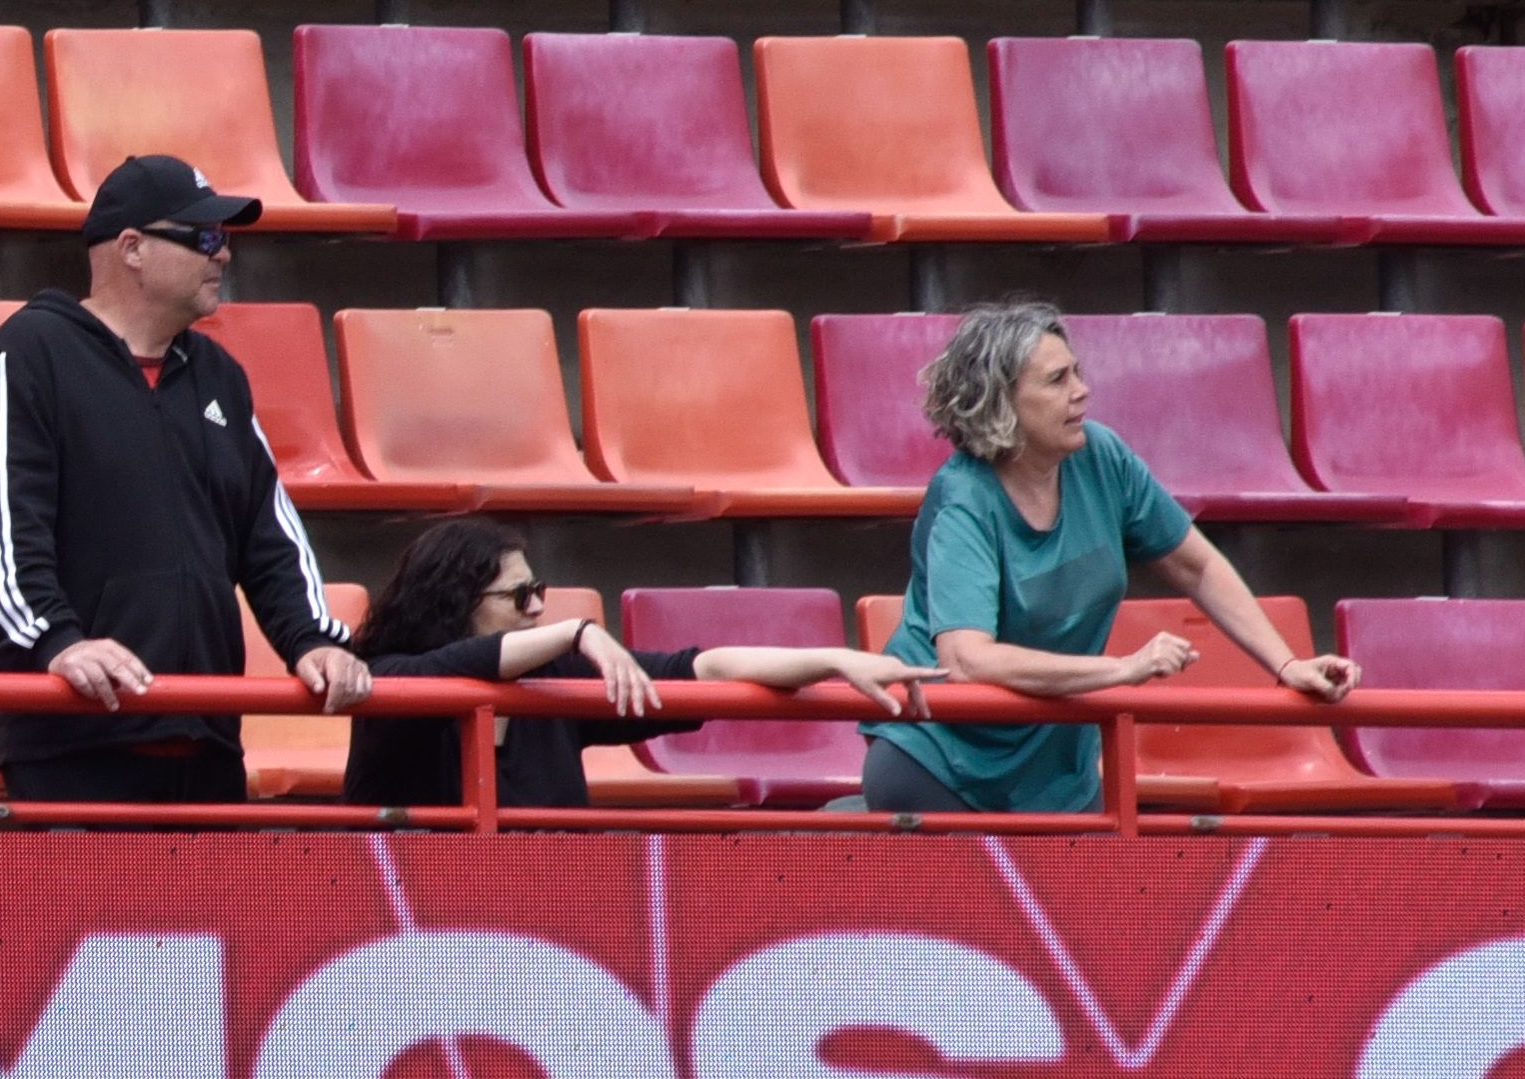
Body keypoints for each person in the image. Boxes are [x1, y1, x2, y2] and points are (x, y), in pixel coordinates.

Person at [0, 154, 371, 803]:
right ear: (132, 248)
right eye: (205, 237)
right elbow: (1, 535)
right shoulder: (28, 355)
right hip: (74, 744)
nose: (223, 256)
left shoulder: (220, 376)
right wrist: (57, 641)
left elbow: (267, 533)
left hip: (205, 739)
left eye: (225, 239)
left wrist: (312, 639)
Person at [860, 301, 1361, 814]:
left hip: (1056, 774)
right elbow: (967, 660)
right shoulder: (964, 498)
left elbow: (1198, 566)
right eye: (1057, 380)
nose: (1081, 390)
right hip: (940, 765)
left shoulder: (1103, 456)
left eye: (1077, 372)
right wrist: (1122, 669)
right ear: (1001, 402)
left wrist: (1287, 664)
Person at [339, 518, 943, 808]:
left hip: (541, 923)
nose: (538, 608)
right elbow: (452, 669)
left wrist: (834, 659)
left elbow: (704, 669)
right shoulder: (392, 678)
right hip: (402, 923)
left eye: (541, 590)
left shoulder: (553, 682)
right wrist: (577, 632)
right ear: (454, 602)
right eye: (520, 597)